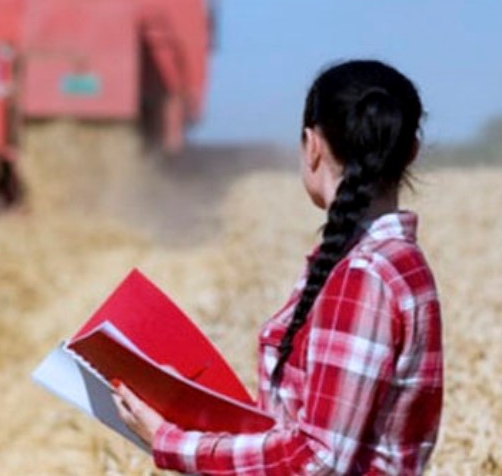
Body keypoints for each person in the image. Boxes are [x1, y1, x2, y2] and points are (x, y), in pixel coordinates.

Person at [113, 59, 443, 475]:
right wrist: (190, 412)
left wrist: (171, 443)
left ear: (312, 145)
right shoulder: (396, 262)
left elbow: (317, 459)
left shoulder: (362, 276)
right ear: (411, 152)